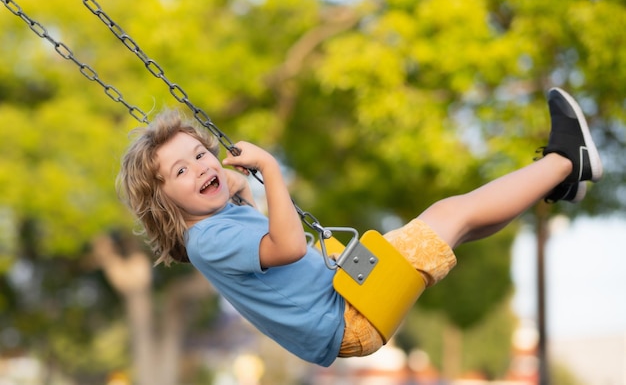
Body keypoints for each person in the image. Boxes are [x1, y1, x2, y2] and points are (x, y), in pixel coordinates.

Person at [117, 87, 602, 367]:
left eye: (200, 154)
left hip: (350, 305)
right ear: (166, 207)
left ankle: (556, 182)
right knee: (451, 215)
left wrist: (246, 194)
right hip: (349, 313)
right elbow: (285, 247)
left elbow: (272, 258)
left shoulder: (218, 225)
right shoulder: (208, 237)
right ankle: (566, 160)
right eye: (181, 171)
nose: (201, 167)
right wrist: (272, 170)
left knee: (457, 226)